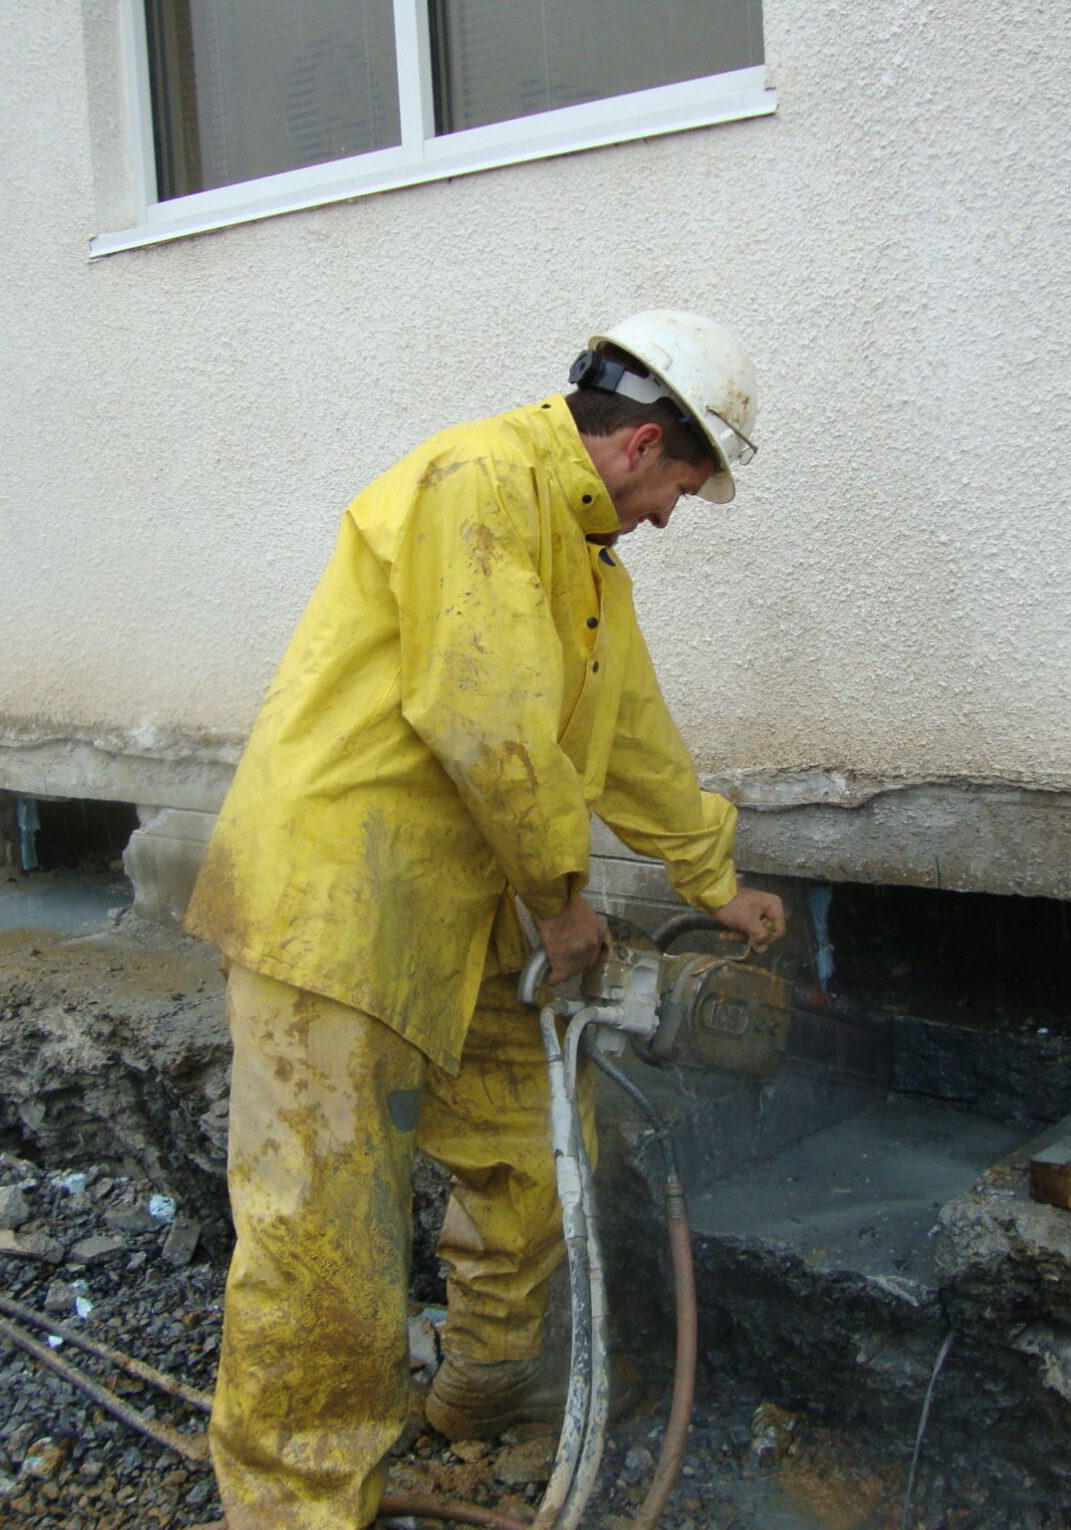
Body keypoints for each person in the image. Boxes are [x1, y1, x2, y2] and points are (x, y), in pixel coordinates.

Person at [184, 310, 786, 1530]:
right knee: (327, 1244)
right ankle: (295, 1507)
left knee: (529, 1147)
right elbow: (488, 722)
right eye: (682, 483)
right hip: (339, 905)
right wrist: (564, 905)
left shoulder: (588, 566)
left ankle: (483, 1385)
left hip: (459, 906)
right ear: (644, 443)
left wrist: (711, 875)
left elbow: (628, 741)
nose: (672, 514)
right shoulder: (481, 483)